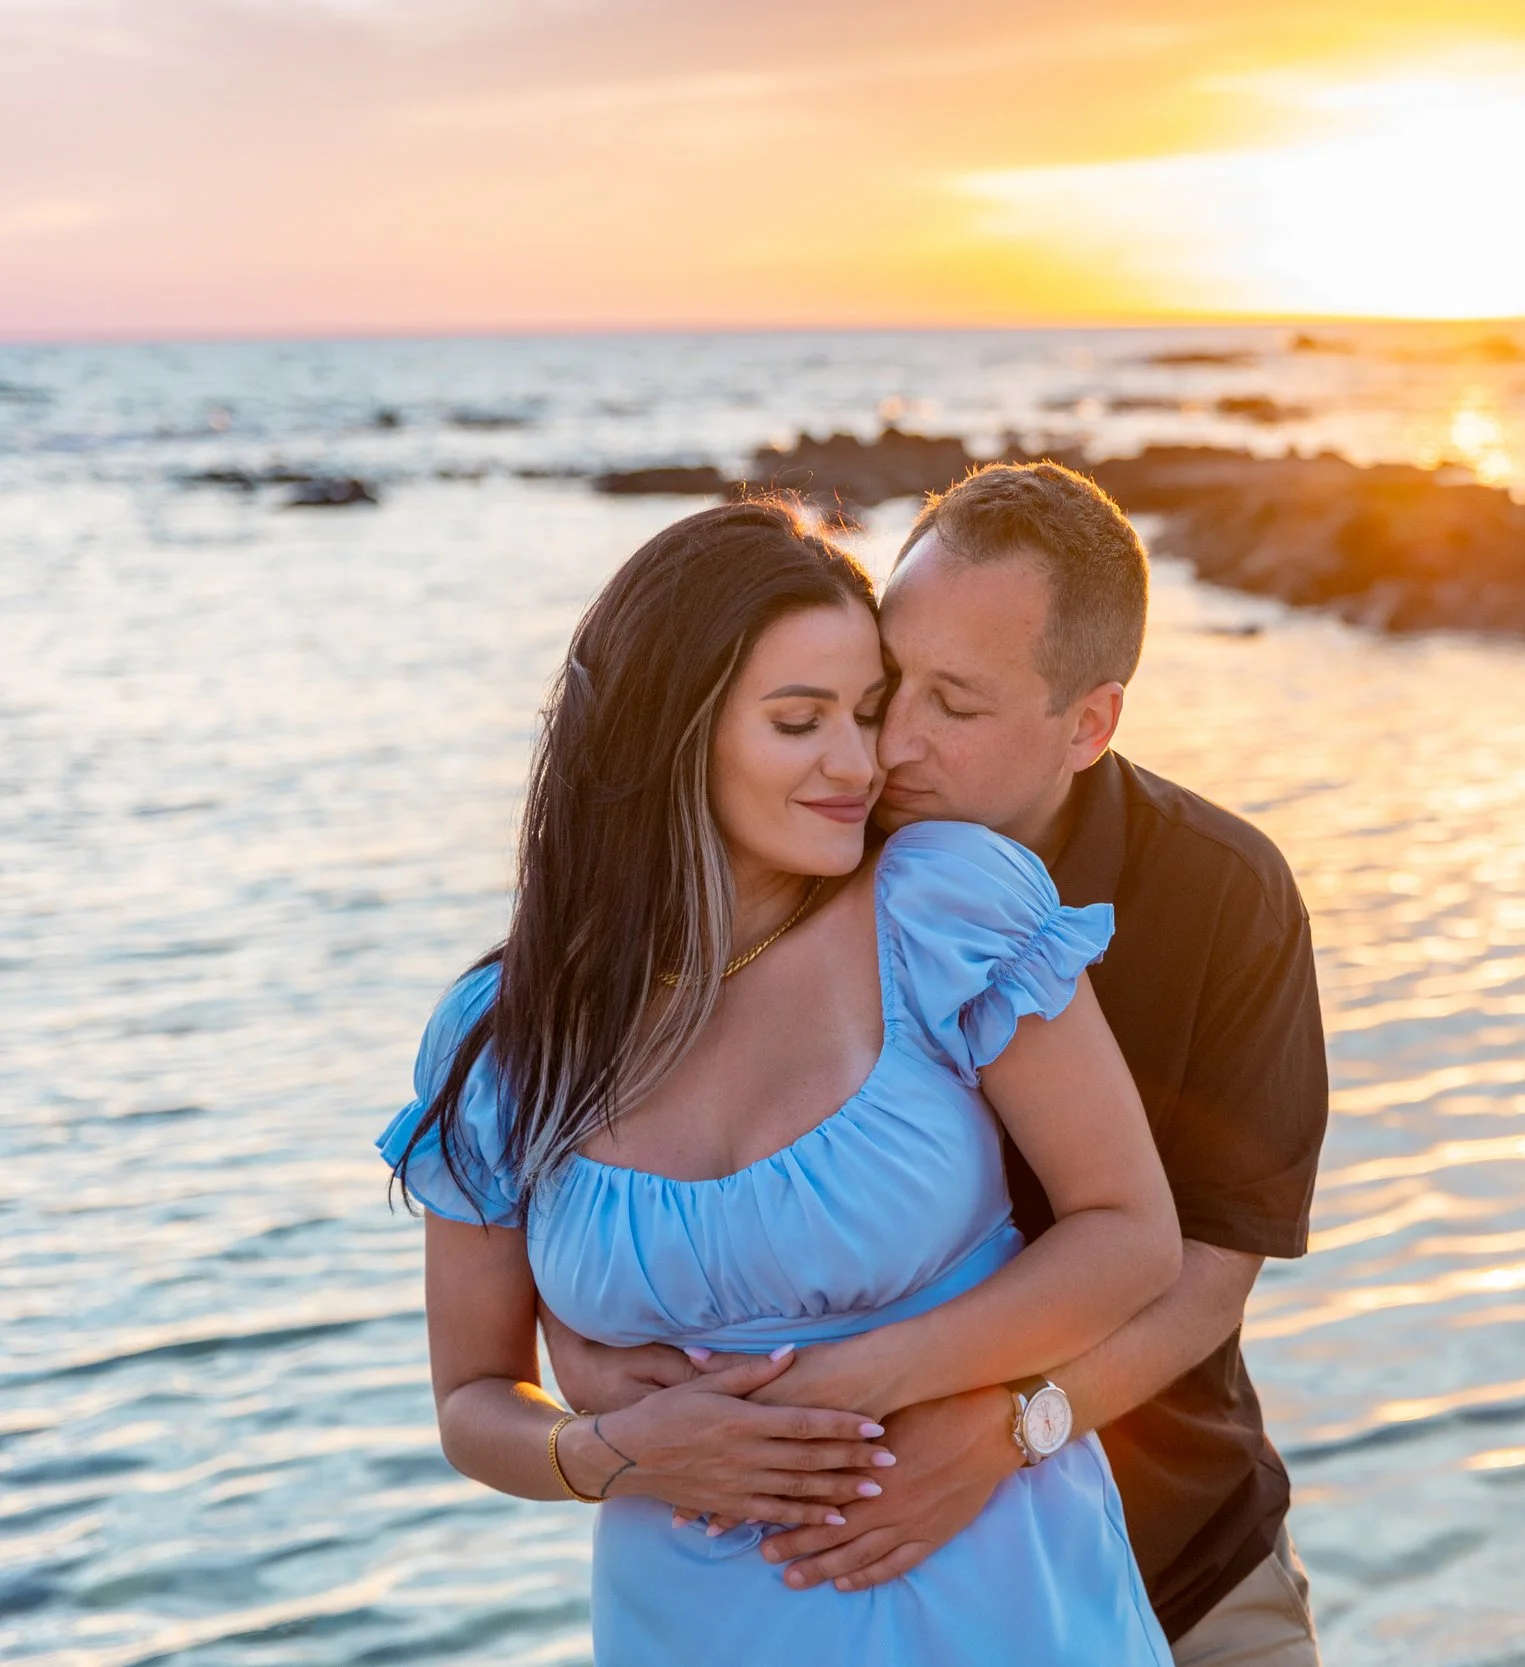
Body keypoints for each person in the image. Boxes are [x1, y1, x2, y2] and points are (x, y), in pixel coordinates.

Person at [550, 462, 1334, 1664]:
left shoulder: (1223, 895)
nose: (888, 747)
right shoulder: (806, 844)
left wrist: (1015, 1425)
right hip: (824, 1588)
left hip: (1179, 1552)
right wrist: (601, 1368)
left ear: (1088, 723)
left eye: (952, 705)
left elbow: (1203, 1267)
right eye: (884, 683)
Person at [380, 498, 1182, 1665]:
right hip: (693, 1622)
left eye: (867, 713)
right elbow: (471, 1398)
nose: (860, 764)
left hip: (997, 1602)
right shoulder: (506, 1038)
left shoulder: (943, 910)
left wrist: (859, 1378)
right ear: (670, 733)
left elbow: (1131, 1236)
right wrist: (614, 1451)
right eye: (800, 721)